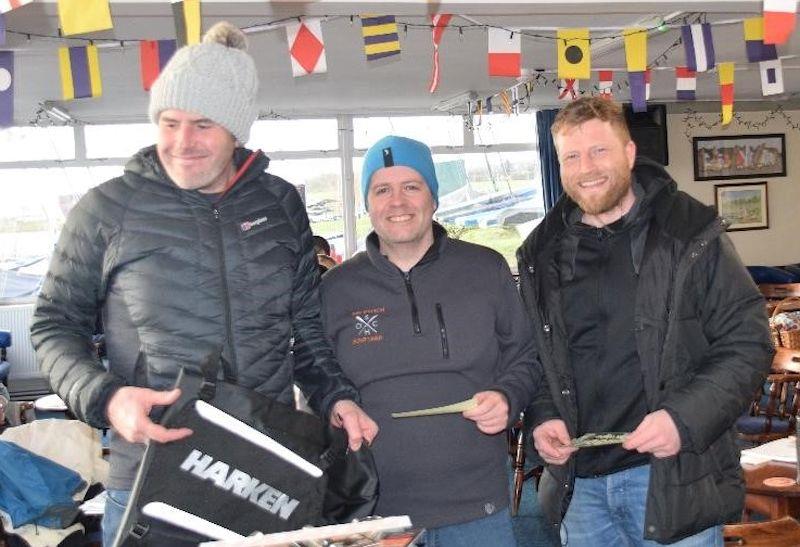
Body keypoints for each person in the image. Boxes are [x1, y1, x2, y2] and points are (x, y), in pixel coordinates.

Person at [29, 22, 377, 546]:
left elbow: (304, 327)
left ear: (237, 130)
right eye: (169, 122)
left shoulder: (280, 205)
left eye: (203, 125)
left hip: (266, 469)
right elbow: (54, 325)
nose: (182, 143)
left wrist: (335, 397)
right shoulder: (107, 209)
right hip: (155, 472)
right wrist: (107, 397)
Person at [516, 97, 773, 546]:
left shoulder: (689, 232)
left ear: (629, 153)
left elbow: (748, 342)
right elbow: (537, 355)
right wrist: (543, 415)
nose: (587, 168)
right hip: (581, 487)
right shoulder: (542, 254)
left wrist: (682, 418)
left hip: (669, 477)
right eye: (571, 157)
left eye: (600, 151)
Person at [314, 135, 544, 546]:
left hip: (477, 508)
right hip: (375, 514)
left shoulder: (485, 269)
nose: (397, 201)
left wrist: (508, 396)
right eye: (382, 189)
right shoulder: (335, 289)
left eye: (411, 186)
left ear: (433, 198)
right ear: (367, 204)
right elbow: (315, 371)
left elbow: (526, 355)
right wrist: (337, 403)